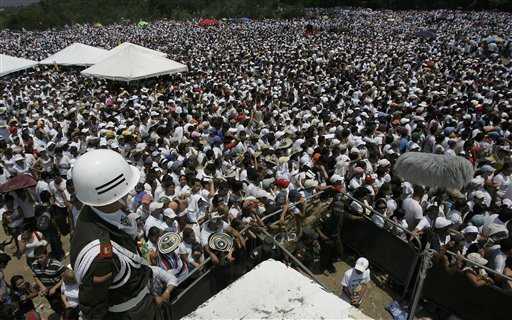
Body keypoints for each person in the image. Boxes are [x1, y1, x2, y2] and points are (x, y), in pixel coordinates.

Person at [70, 149, 171, 319]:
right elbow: (95, 307)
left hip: (141, 300)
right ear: (115, 190)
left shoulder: (96, 210)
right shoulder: (101, 256)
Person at [30, 246, 65, 316]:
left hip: (60, 290)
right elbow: (35, 276)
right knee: (55, 306)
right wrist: (42, 287)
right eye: (37, 258)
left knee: (65, 305)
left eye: (41, 257)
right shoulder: (34, 265)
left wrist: (54, 288)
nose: (39, 260)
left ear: (47, 255)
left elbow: (65, 278)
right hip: (47, 291)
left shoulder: (56, 264)